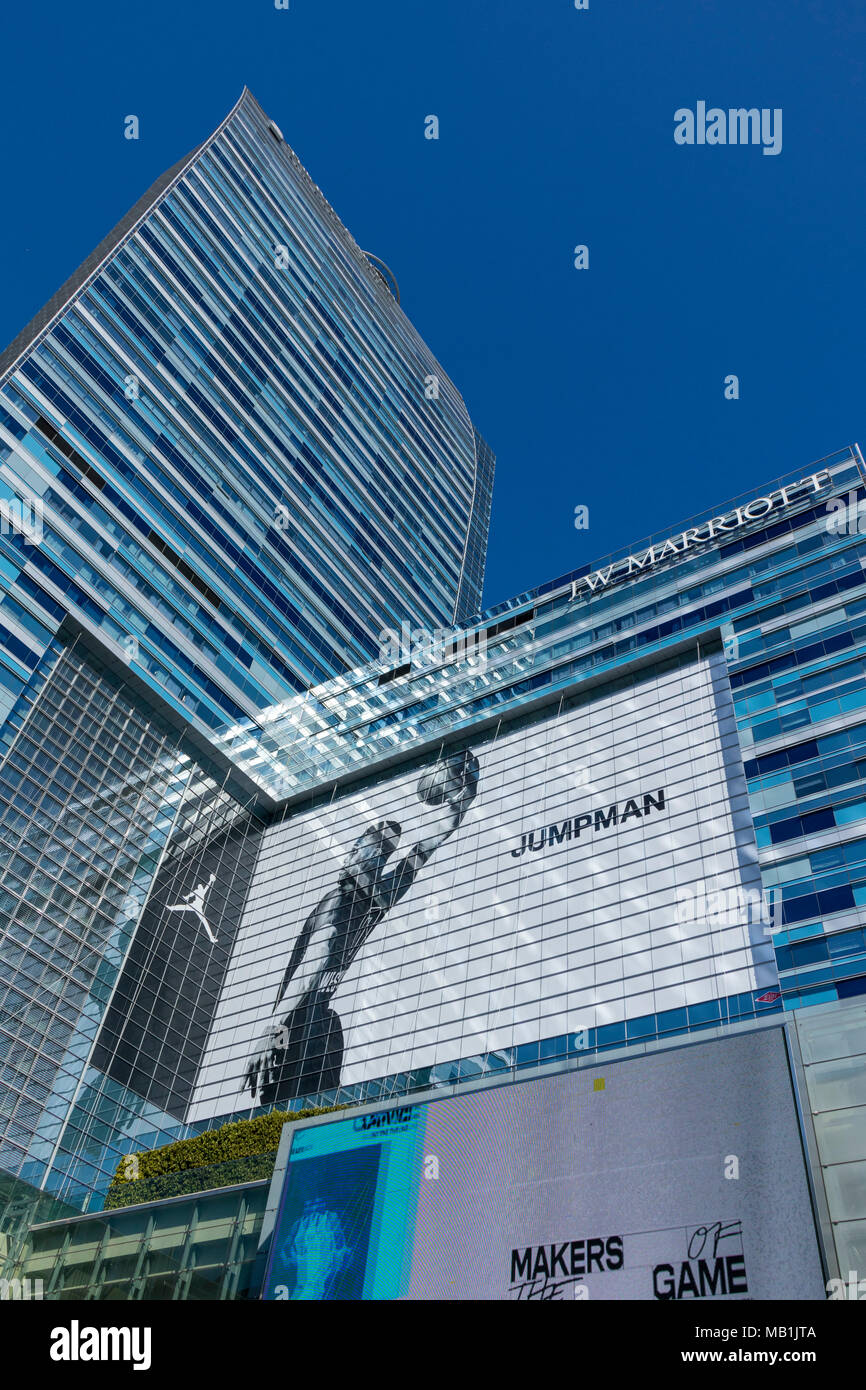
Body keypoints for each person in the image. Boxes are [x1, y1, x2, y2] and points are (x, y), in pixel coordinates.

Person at [244, 750, 479, 1103]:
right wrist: (274, 1031)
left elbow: (424, 848)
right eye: (379, 845)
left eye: (387, 850)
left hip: (314, 1019)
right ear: (354, 854)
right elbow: (313, 965)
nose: (385, 853)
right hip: (297, 1021)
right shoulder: (340, 902)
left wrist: (460, 805)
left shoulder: (373, 900)